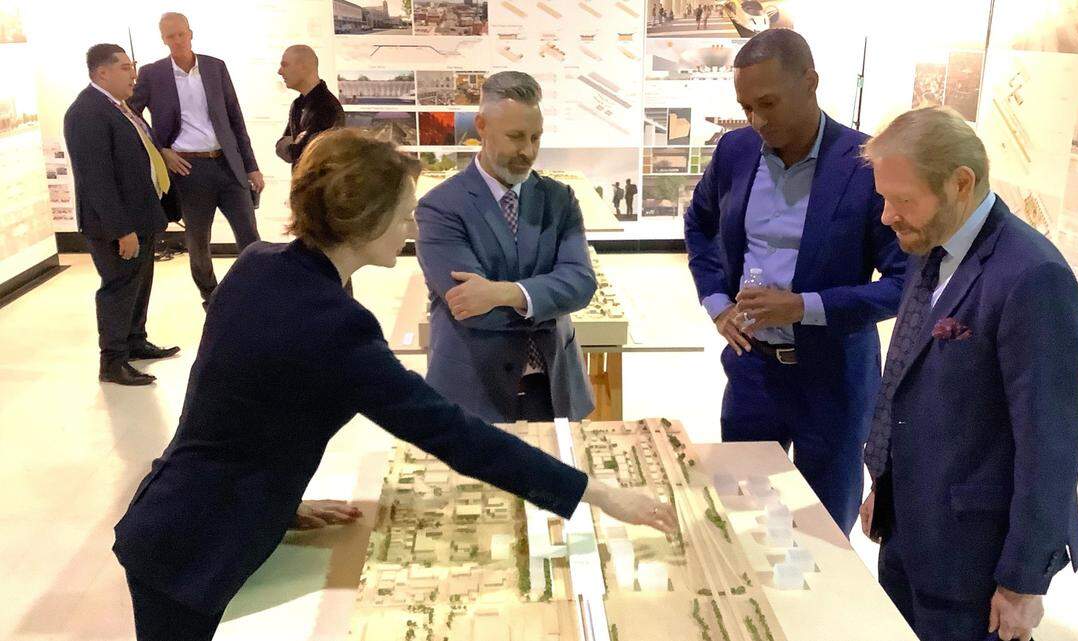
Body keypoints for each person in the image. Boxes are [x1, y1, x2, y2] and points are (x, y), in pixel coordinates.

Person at [113, 129, 676, 641]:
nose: (413, 229)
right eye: (405, 215)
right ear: (363, 220)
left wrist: (278, 502)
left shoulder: (262, 264)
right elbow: (452, 433)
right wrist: (595, 493)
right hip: (195, 547)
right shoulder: (334, 324)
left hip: (177, 513)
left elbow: (235, 408)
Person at [859, 107, 1078, 641]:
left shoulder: (1033, 278)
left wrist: (1023, 582)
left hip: (973, 563)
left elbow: (1050, 443)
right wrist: (883, 484)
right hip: (908, 533)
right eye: (883, 198)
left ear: (961, 182)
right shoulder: (928, 245)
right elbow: (908, 377)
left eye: (902, 199)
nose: (887, 216)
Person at [683, 29, 906, 535]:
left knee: (822, 528)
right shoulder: (736, 151)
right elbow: (699, 224)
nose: (758, 121)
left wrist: (804, 306)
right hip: (751, 372)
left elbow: (902, 281)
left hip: (833, 378)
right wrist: (718, 303)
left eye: (768, 103)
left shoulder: (866, 164)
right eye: (746, 108)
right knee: (741, 513)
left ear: (811, 82)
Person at [415, 71, 596, 423]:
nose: (527, 151)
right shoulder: (440, 207)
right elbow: (470, 306)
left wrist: (505, 292)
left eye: (535, 138)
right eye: (515, 137)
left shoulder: (559, 200)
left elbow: (581, 284)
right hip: (473, 389)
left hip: (554, 386)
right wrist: (545, 300)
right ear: (481, 126)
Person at [129, 12, 263, 310]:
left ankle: (255, 294)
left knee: (250, 236)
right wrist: (161, 149)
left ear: (191, 33)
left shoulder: (215, 67)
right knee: (198, 242)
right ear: (162, 39)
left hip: (228, 165)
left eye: (181, 34)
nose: (177, 40)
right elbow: (132, 116)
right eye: (169, 36)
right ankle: (211, 298)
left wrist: (251, 165)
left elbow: (234, 119)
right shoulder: (153, 74)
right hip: (188, 170)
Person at [63, 44, 180, 386]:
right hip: (116, 224)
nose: (133, 74)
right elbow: (96, 177)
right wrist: (121, 229)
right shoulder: (87, 112)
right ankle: (112, 361)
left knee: (138, 284)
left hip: (140, 216)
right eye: (126, 67)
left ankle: (134, 341)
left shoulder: (120, 108)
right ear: (103, 73)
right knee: (118, 288)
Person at [275, 44, 344, 166]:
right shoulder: (297, 104)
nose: (279, 71)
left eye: (285, 65)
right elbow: (282, 146)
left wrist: (295, 145)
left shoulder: (327, 107)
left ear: (303, 67)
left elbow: (304, 153)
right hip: (303, 183)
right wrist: (295, 143)